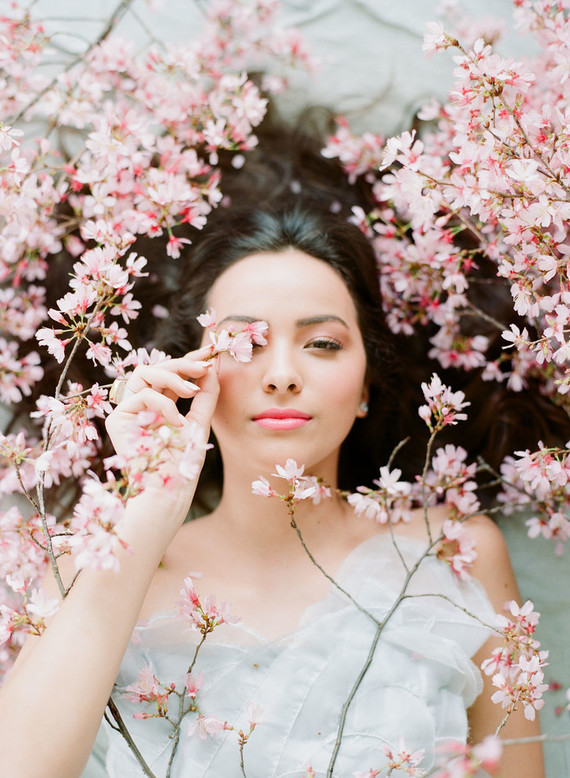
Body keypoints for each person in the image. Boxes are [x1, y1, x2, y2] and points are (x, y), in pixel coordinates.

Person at [0, 190, 547, 777]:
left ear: (365, 384)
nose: (283, 375)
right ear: (190, 372)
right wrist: (145, 512)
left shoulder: (456, 555)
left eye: (323, 344)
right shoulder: (95, 569)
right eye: (247, 343)